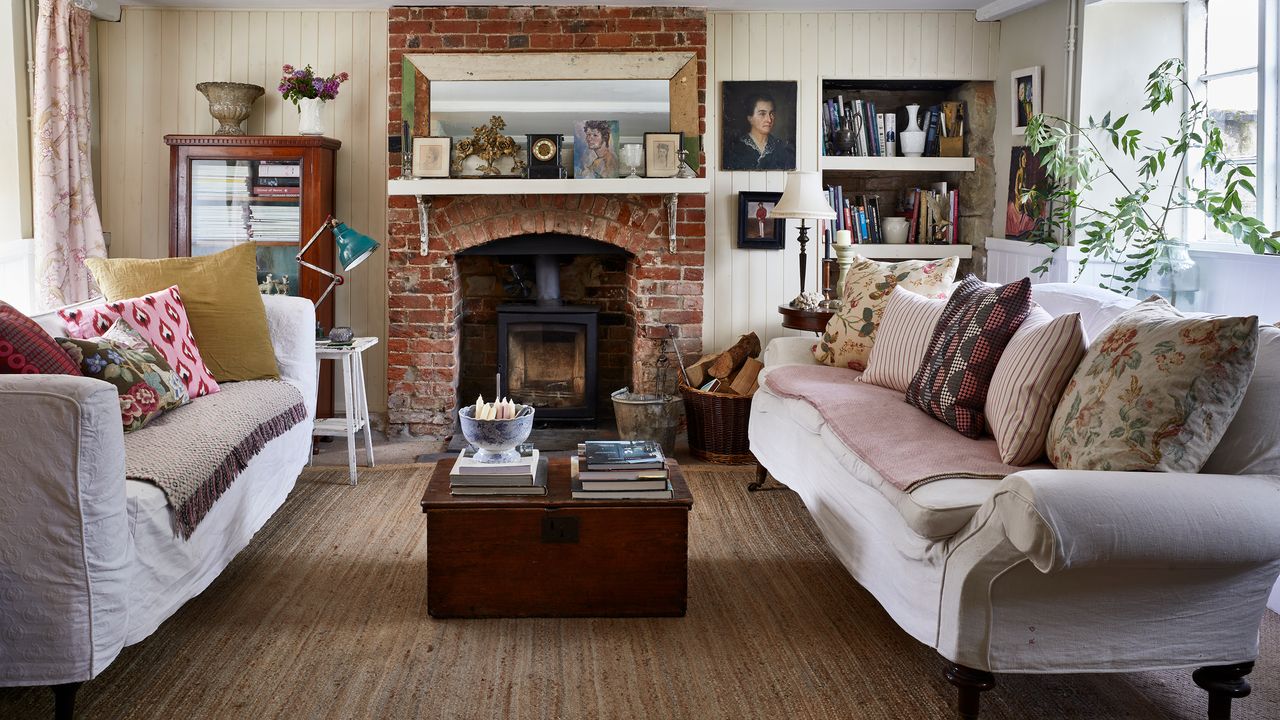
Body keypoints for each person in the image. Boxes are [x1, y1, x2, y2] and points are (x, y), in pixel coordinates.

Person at [724, 92, 796, 171]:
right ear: (750, 118)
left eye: (771, 113)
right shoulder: (735, 148)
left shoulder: (782, 148)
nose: (769, 119)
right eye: (762, 114)